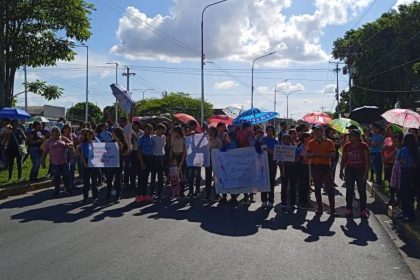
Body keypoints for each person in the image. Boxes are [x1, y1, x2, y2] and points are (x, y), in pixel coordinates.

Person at [307, 125, 337, 216]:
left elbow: (333, 155)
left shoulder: (329, 142)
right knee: (317, 188)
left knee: (330, 188)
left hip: (326, 167)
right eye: (315, 131)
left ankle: (332, 209)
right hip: (315, 167)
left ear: (322, 131)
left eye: (318, 131)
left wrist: (317, 154)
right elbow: (308, 155)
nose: (316, 133)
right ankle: (320, 208)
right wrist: (316, 155)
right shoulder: (311, 142)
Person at [339, 129, 370, 218]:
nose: (351, 138)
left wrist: (366, 173)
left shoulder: (363, 146)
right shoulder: (347, 146)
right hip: (350, 169)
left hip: (360, 169)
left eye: (353, 136)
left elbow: (367, 160)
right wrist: (341, 170)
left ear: (357, 137)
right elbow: (344, 159)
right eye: (350, 136)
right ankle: (349, 209)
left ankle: (363, 210)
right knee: (349, 190)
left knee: (361, 190)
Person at [42, 127, 70, 197]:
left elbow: (71, 143)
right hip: (54, 163)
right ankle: (57, 190)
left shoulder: (63, 138)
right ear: (52, 133)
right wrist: (43, 161)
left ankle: (67, 190)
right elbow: (44, 152)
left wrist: (68, 145)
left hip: (64, 162)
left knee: (66, 177)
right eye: (56, 132)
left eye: (58, 131)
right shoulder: (48, 142)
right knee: (56, 177)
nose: (58, 133)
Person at [395, 133, 418, 222]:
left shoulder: (405, 149)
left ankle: (406, 213)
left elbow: (403, 161)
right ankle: (409, 213)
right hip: (413, 172)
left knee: (404, 193)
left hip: (405, 171)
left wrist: (398, 158)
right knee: (410, 194)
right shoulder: (415, 150)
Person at [105, 127, 129, 203]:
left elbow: (123, 153)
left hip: (118, 163)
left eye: (113, 132)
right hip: (111, 163)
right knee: (109, 179)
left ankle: (118, 195)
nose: (112, 134)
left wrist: (120, 144)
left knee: (118, 180)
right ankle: (108, 195)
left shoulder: (123, 142)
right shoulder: (111, 141)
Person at [136, 124, 154, 203]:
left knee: (146, 178)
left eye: (150, 129)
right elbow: (139, 151)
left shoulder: (151, 138)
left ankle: (145, 195)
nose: (148, 131)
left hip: (149, 159)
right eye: (147, 129)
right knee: (141, 178)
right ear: (144, 130)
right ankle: (138, 196)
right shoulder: (141, 138)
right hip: (142, 158)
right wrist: (141, 162)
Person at [279, 134, 298, 210]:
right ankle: (283, 202)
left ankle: (293, 203)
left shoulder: (294, 148)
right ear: (283, 141)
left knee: (293, 186)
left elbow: (297, 158)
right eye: (284, 139)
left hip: (292, 168)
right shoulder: (280, 148)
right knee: (284, 186)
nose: (286, 141)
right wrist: (280, 163)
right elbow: (278, 159)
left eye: (287, 139)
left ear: (290, 140)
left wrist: (294, 160)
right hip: (284, 168)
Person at [261, 126, 278, 208]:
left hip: (272, 162)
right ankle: (264, 200)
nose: (270, 132)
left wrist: (268, 150)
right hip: (263, 162)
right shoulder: (262, 140)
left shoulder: (275, 141)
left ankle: (271, 200)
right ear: (266, 131)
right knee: (263, 180)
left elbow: (277, 153)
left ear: (273, 132)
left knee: (271, 181)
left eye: (271, 130)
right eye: (268, 130)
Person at [80, 129, 99, 203]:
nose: (89, 136)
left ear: (93, 135)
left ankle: (95, 197)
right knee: (86, 181)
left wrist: (93, 144)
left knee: (94, 181)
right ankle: (85, 197)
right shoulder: (83, 143)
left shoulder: (97, 141)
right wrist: (85, 163)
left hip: (94, 162)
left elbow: (99, 152)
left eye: (91, 134)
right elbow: (82, 154)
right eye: (87, 134)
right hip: (86, 161)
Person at [205, 127, 223, 200]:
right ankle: (207, 195)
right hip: (208, 161)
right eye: (208, 131)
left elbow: (220, 152)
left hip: (216, 162)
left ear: (214, 132)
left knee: (216, 178)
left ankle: (217, 194)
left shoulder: (218, 141)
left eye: (210, 131)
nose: (209, 133)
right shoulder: (207, 140)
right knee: (208, 179)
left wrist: (213, 150)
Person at [185, 120, 201, 198]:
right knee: (190, 175)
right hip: (190, 158)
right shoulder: (187, 135)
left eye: (193, 126)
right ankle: (191, 191)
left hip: (198, 158)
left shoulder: (199, 134)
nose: (191, 128)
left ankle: (197, 190)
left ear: (195, 126)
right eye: (190, 126)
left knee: (197, 175)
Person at [296, 132, 312, 208]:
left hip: (307, 166)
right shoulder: (301, 146)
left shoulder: (308, 146)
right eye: (309, 137)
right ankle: (301, 202)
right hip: (302, 167)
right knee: (303, 185)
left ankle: (305, 201)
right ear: (305, 138)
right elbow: (304, 158)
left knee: (306, 185)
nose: (310, 139)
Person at [151, 123, 167, 198]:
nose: (162, 132)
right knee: (153, 176)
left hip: (162, 157)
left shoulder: (164, 137)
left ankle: (160, 192)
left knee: (161, 176)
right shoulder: (153, 138)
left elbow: (164, 146)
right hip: (155, 157)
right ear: (157, 130)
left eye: (163, 130)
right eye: (161, 130)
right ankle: (152, 192)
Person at [170, 126, 186, 197]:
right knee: (174, 175)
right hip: (174, 157)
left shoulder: (183, 139)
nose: (173, 133)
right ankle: (174, 191)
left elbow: (184, 152)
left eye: (174, 131)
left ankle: (181, 191)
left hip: (180, 156)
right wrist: (170, 159)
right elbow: (171, 148)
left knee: (181, 175)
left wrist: (181, 162)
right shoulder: (173, 139)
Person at [390, 132, 404, 206]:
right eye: (394, 141)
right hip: (395, 167)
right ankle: (393, 198)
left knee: (399, 185)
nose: (396, 143)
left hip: (400, 168)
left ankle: (398, 200)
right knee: (393, 184)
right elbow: (394, 157)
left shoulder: (403, 149)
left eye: (397, 141)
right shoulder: (396, 148)